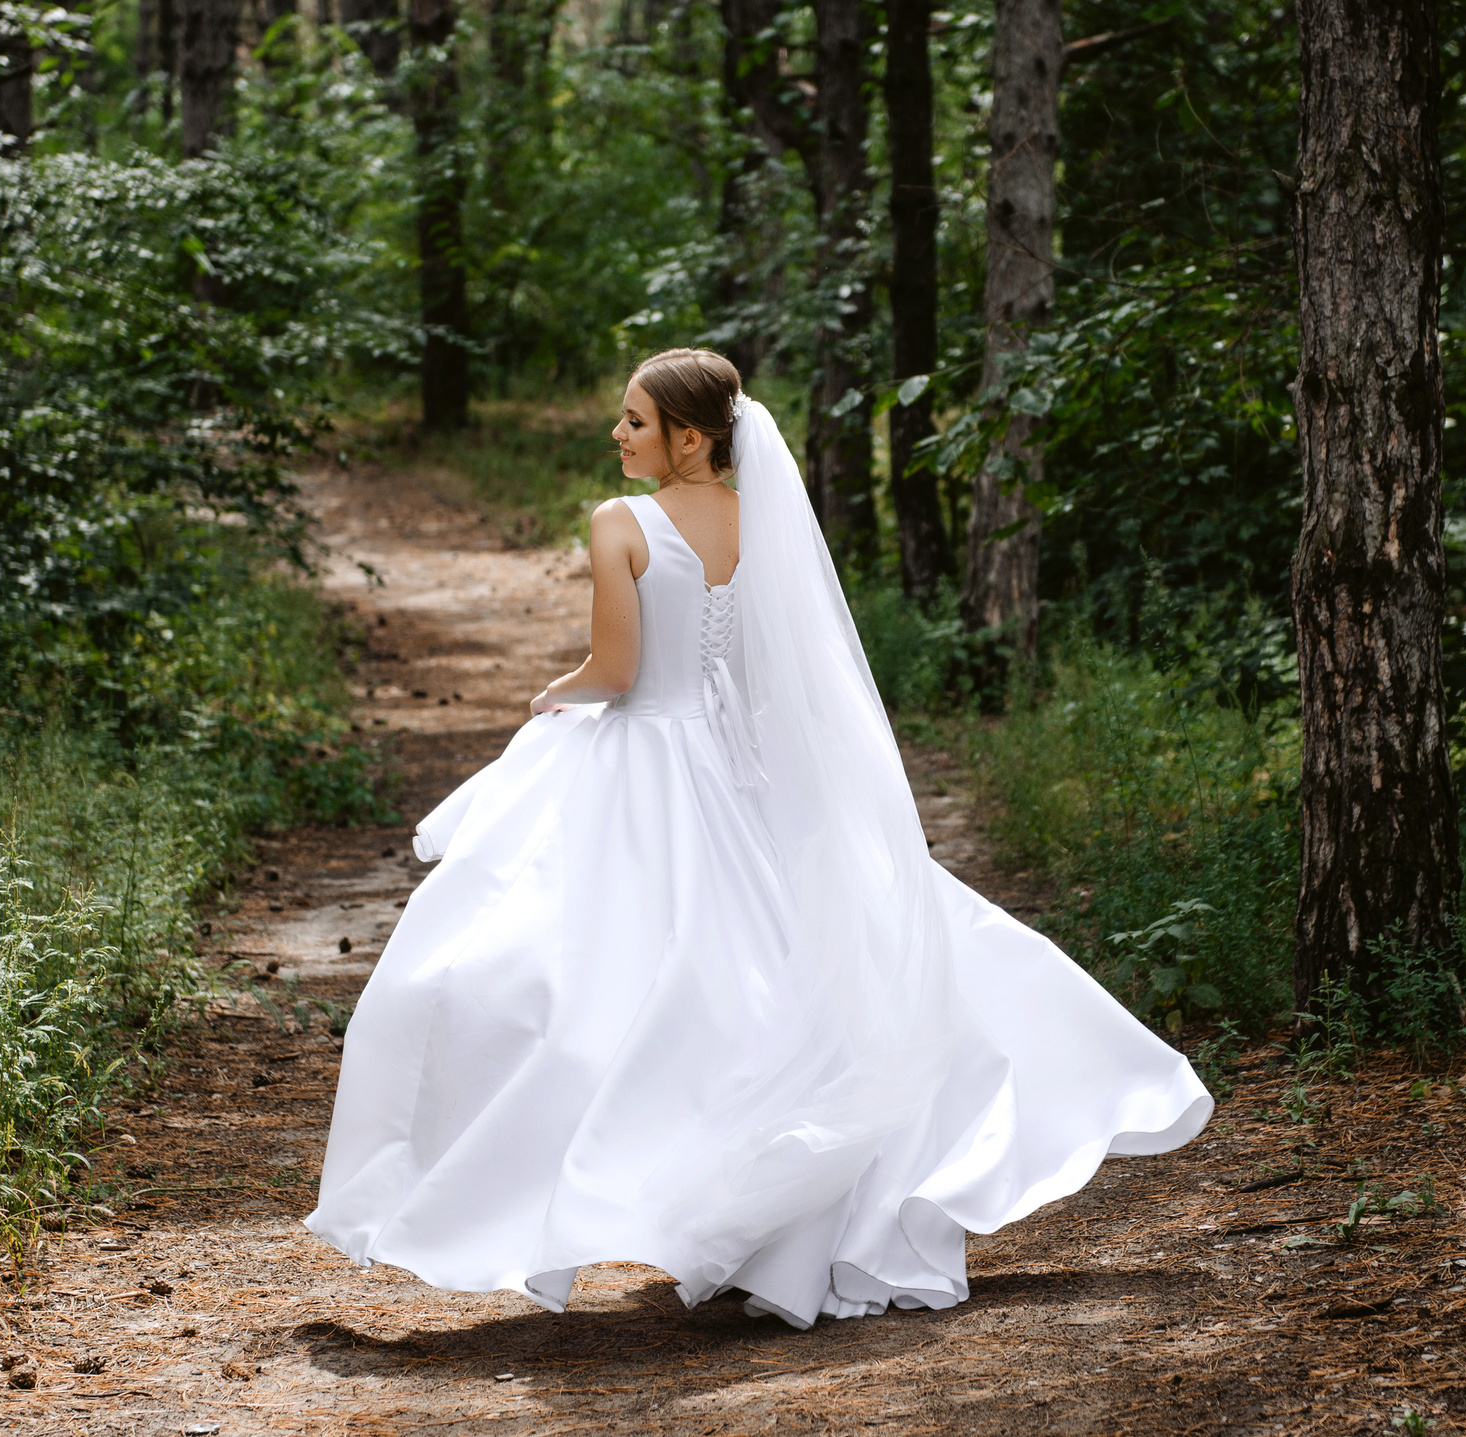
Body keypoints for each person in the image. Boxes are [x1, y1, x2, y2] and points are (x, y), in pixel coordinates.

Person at [305, 348, 1210, 1328]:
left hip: (645, 768)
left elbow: (615, 668)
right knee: (767, 971)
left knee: (565, 974)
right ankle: (763, 1212)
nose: (618, 433)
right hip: (735, 766)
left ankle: (552, 1182)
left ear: (688, 437)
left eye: (635, 420)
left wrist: (553, 694)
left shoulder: (622, 524)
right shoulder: (756, 519)